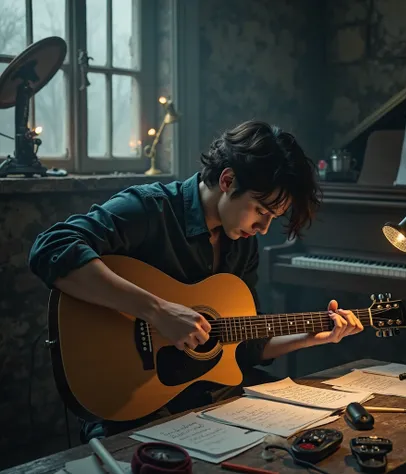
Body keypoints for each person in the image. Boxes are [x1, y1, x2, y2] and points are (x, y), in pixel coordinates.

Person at [28, 120, 363, 442]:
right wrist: (157, 312)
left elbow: (244, 348)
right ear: (229, 180)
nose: (263, 228)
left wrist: (309, 336)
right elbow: (52, 247)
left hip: (204, 398)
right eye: (260, 210)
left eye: (272, 218)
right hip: (133, 406)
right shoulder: (149, 209)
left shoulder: (243, 243)